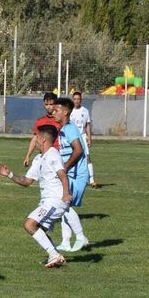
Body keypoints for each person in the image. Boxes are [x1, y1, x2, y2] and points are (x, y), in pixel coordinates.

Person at [0, 125, 72, 268]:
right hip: (47, 201)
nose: (34, 140)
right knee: (39, 230)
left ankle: (54, 255)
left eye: (36, 137)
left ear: (43, 139)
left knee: (29, 224)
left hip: (56, 200)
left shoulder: (53, 154)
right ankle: (56, 256)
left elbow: (63, 175)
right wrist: (9, 174)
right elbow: (26, 182)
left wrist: (66, 194)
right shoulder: (39, 158)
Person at [53, 97, 91, 252]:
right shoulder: (63, 129)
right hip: (71, 174)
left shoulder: (69, 128)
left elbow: (78, 150)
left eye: (57, 110)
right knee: (64, 207)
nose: (53, 112)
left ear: (65, 112)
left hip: (76, 175)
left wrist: (66, 167)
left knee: (63, 204)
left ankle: (81, 237)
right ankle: (66, 242)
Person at [23, 92, 60, 167]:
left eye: (51, 104)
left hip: (58, 156)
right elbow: (35, 139)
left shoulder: (61, 120)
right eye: (46, 105)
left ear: (55, 104)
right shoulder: (40, 121)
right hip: (44, 156)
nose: (48, 107)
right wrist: (28, 156)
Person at [71, 91, 97, 188]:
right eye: (75, 99)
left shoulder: (85, 111)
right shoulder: (69, 111)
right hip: (72, 137)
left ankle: (92, 180)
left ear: (81, 100)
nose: (77, 101)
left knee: (87, 157)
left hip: (82, 137)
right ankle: (72, 178)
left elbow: (87, 125)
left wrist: (89, 138)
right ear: (72, 100)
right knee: (72, 158)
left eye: (78, 99)